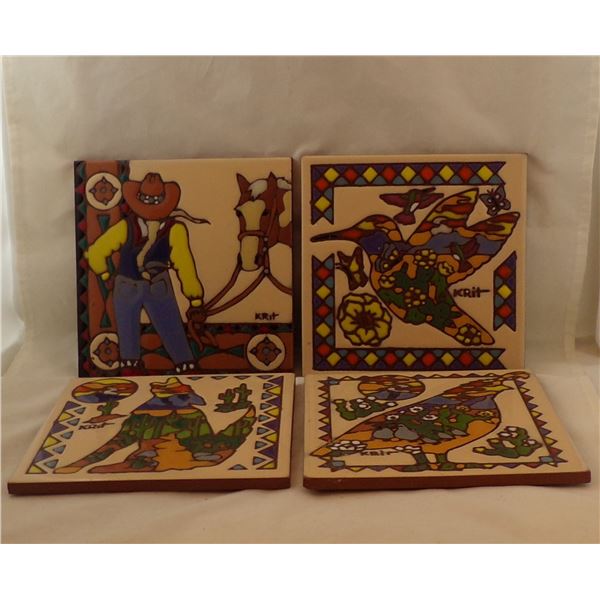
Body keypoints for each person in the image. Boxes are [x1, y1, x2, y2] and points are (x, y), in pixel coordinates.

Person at [86, 172, 208, 373]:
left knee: (130, 339)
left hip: (129, 285)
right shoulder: (173, 229)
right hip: (155, 285)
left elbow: (95, 253)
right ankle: (184, 367)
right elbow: (184, 265)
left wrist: (106, 274)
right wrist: (195, 299)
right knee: (171, 331)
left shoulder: (126, 227)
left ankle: (133, 369)